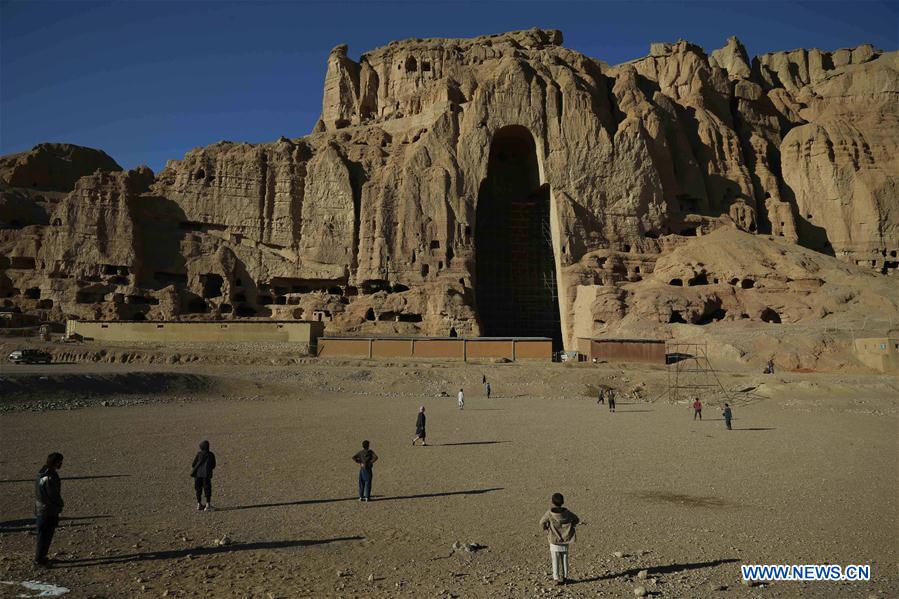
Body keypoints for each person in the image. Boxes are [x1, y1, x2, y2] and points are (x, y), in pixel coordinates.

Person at [539, 493, 580, 586]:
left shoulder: (549, 513)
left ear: (552, 502)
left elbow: (541, 522)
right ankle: (565, 577)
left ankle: (556, 578)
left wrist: (546, 528)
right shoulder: (568, 513)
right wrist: (571, 526)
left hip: (554, 539)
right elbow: (576, 519)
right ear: (563, 502)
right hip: (566, 539)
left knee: (555, 559)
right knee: (565, 559)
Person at [35, 452, 64, 567]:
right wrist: (60, 504)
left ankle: (42, 557)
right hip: (48, 510)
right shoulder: (49, 477)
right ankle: (39, 560)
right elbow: (53, 495)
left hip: (41, 509)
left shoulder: (42, 473)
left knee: (44, 535)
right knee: (45, 535)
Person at [191, 440, 217, 511]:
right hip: (206, 475)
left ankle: (199, 504)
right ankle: (208, 505)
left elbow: (193, 464)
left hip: (197, 474)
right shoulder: (211, 454)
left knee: (198, 489)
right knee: (207, 489)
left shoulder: (199, 454)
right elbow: (213, 465)